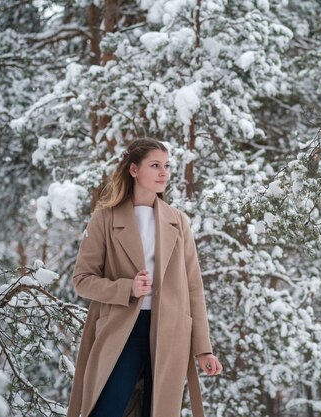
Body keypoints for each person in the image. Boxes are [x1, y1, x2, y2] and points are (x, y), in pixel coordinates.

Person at [66, 138, 222, 417]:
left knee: (156, 411)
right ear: (134, 170)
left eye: (167, 166)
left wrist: (203, 349)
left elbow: (193, 287)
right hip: (120, 329)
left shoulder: (178, 221)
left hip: (170, 332)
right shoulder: (105, 218)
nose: (164, 173)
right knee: (106, 409)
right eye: (155, 165)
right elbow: (82, 279)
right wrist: (128, 288)